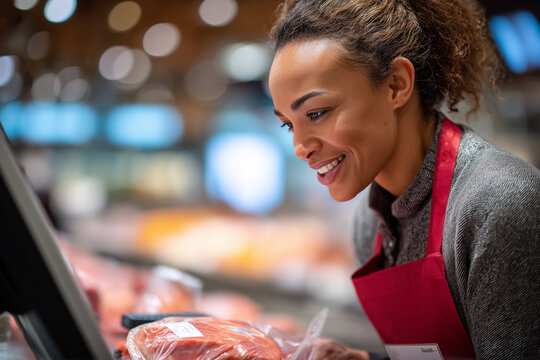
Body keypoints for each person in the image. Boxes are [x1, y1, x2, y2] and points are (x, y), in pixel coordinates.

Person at [267, 0, 540, 359]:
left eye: (316, 113)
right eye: (288, 123)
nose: (300, 147)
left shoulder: (497, 202)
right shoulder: (371, 221)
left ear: (397, 84)